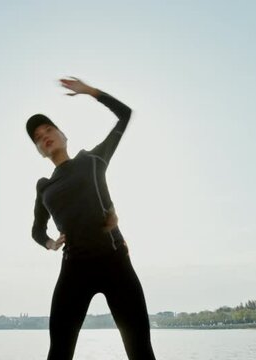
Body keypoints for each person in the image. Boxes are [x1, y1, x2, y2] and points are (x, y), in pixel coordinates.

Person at [27, 77, 156, 360]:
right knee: (58, 352)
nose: (44, 136)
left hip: (115, 262)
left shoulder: (93, 159)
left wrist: (90, 92)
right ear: (39, 150)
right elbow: (37, 231)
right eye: (38, 137)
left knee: (140, 352)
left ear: (63, 135)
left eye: (49, 129)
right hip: (75, 269)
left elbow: (125, 115)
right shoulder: (44, 187)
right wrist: (50, 243)